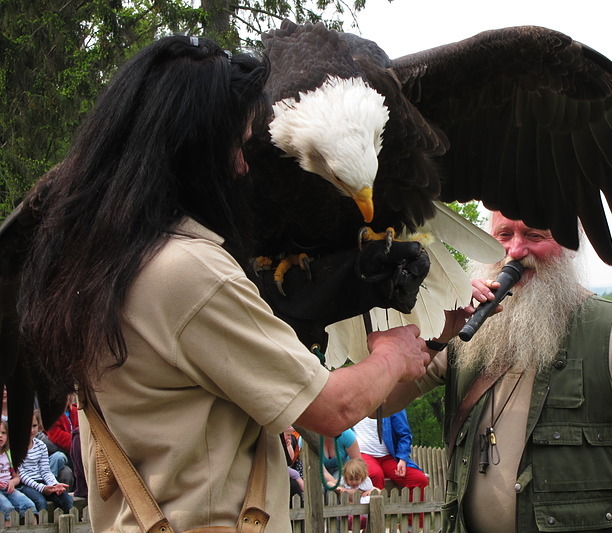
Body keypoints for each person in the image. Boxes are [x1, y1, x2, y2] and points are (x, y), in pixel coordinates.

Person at [17, 35, 429, 531]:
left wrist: (317, 292)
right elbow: (331, 408)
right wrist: (393, 355)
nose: (243, 164)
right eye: (236, 144)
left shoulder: (95, 259)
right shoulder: (188, 272)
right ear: (196, 149)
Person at [387, 211, 612, 533]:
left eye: (534, 235)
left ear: (570, 244)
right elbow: (380, 404)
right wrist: (438, 332)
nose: (515, 250)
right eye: (503, 234)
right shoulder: (462, 329)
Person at [353, 409, 428, 528]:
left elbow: (404, 434)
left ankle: (409, 526)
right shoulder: (355, 401)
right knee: (375, 475)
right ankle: (371, 527)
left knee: (418, 479)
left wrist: (402, 458)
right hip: (364, 454)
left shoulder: (393, 402)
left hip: (389, 456)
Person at [17, 413, 73, 513]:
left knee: (66, 498)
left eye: (34, 426)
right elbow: (22, 475)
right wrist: (42, 488)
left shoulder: (41, 445)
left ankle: (67, 524)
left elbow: (45, 471)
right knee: (40, 502)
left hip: (42, 482)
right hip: (26, 485)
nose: (31, 430)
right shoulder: (16, 447)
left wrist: (54, 484)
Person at [0, 419, 36, 526]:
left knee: (29, 506)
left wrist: (12, 482)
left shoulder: (9, 454)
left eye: (3, 433)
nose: (0, 436)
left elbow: (17, 477)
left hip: (8, 488)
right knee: (7, 509)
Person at [336, 457, 375, 532]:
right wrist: (343, 489)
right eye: (351, 479)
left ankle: (365, 530)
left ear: (362, 477)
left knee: (368, 502)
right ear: (346, 478)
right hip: (348, 512)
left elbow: (377, 490)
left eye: (357, 479)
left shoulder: (366, 483)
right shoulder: (343, 482)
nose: (354, 482)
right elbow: (330, 484)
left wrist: (370, 491)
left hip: (363, 513)